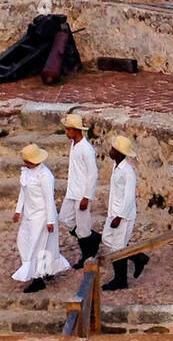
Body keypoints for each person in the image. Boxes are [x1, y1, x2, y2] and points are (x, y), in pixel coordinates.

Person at [13, 144, 72, 293]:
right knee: (24, 241)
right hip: (29, 215)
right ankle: (46, 269)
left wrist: (50, 220)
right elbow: (23, 191)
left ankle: (37, 278)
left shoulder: (45, 176)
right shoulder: (26, 172)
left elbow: (48, 199)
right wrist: (18, 210)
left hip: (41, 216)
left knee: (36, 247)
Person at [101, 135, 148, 291]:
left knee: (117, 249)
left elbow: (128, 197)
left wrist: (120, 216)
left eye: (113, 149)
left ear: (120, 153)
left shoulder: (128, 172)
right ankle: (137, 257)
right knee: (107, 239)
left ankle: (120, 280)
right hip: (113, 212)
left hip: (123, 215)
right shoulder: (116, 167)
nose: (110, 151)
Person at [58, 113, 101, 269]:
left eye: (68, 129)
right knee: (64, 218)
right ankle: (94, 238)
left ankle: (87, 256)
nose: (66, 132)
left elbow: (93, 173)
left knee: (82, 228)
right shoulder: (74, 145)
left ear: (75, 130)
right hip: (72, 191)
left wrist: (87, 197)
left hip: (82, 193)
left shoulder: (86, 149)